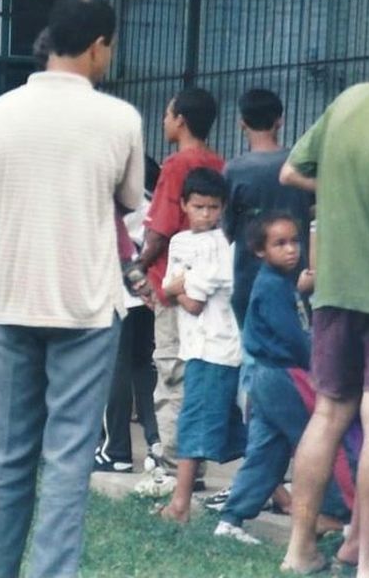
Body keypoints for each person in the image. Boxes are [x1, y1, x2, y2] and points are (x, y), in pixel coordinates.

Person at [0, 0, 143, 578]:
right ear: (98, 47)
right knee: (68, 463)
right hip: (86, 306)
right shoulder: (120, 118)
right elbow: (129, 198)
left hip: (14, 298)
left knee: (4, 460)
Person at [279, 82, 369, 576]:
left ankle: (299, 550)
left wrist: (345, 189)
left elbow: (291, 171)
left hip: (336, 288)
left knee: (327, 415)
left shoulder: (350, 100)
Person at [215, 213, 349, 544]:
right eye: (280, 244)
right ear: (260, 250)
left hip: (263, 378)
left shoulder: (279, 283)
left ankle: (231, 519)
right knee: (318, 439)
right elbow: (293, 338)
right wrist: (321, 364)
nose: (291, 250)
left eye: (294, 241)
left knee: (267, 451)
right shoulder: (273, 287)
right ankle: (334, 513)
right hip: (282, 376)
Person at [136, 86, 224, 465]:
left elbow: (159, 231)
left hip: (171, 284)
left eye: (168, 114)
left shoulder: (174, 166)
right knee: (197, 372)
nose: (164, 120)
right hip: (209, 285)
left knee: (171, 368)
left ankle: (173, 459)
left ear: (181, 121)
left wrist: (138, 268)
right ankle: (194, 459)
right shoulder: (219, 163)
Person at [154, 168, 245, 524]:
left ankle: (180, 504)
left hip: (217, 349)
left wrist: (178, 285)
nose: (206, 214)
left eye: (213, 207)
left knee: (193, 423)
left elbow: (192, 302)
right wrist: (177, 287)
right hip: (194, 347)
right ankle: (280, 496)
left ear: (223, 208)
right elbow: (167, 290)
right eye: (198, 207)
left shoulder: (223, 245)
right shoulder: (179, 242)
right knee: (231, 429)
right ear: (184, 205)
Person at [96, 156, 162, 475]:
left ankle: (116, 450)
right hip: (147, 295)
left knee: (115, 370)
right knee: (144, 368)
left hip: (118, 294)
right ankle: (156, 441)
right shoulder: (152, 204)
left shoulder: (113, 204)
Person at [223, 88, 312, 326]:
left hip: (249, 277)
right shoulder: (299, 166)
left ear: (242, 123)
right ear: (280, 121)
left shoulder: (234, 170)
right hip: (297, 274)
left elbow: (226, 230)